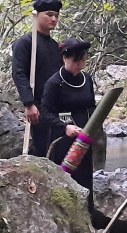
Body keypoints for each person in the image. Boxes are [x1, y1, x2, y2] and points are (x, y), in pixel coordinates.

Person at [41, 38, 98, 216]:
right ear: (65, 58)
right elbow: (45, 112)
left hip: (85, 137)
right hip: (64, 139)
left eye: (83, 60)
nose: (80, 65)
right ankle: (65, 216)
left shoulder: (86, 79)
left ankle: (88, 216)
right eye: (76, 61)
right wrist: (64, 127)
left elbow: (91, 107)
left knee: (85, 177)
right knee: (67, 179)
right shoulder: (54, 83)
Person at [11, 0, 64, 156]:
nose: (54, 19)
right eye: (49, 14)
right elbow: (18, 73)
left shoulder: (55, 46)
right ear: (37, 15)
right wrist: (29, 103)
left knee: (58, 149)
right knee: (41, 148)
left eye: (56, 15)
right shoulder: (25, 43)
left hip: (56, 107)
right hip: (38, 106)